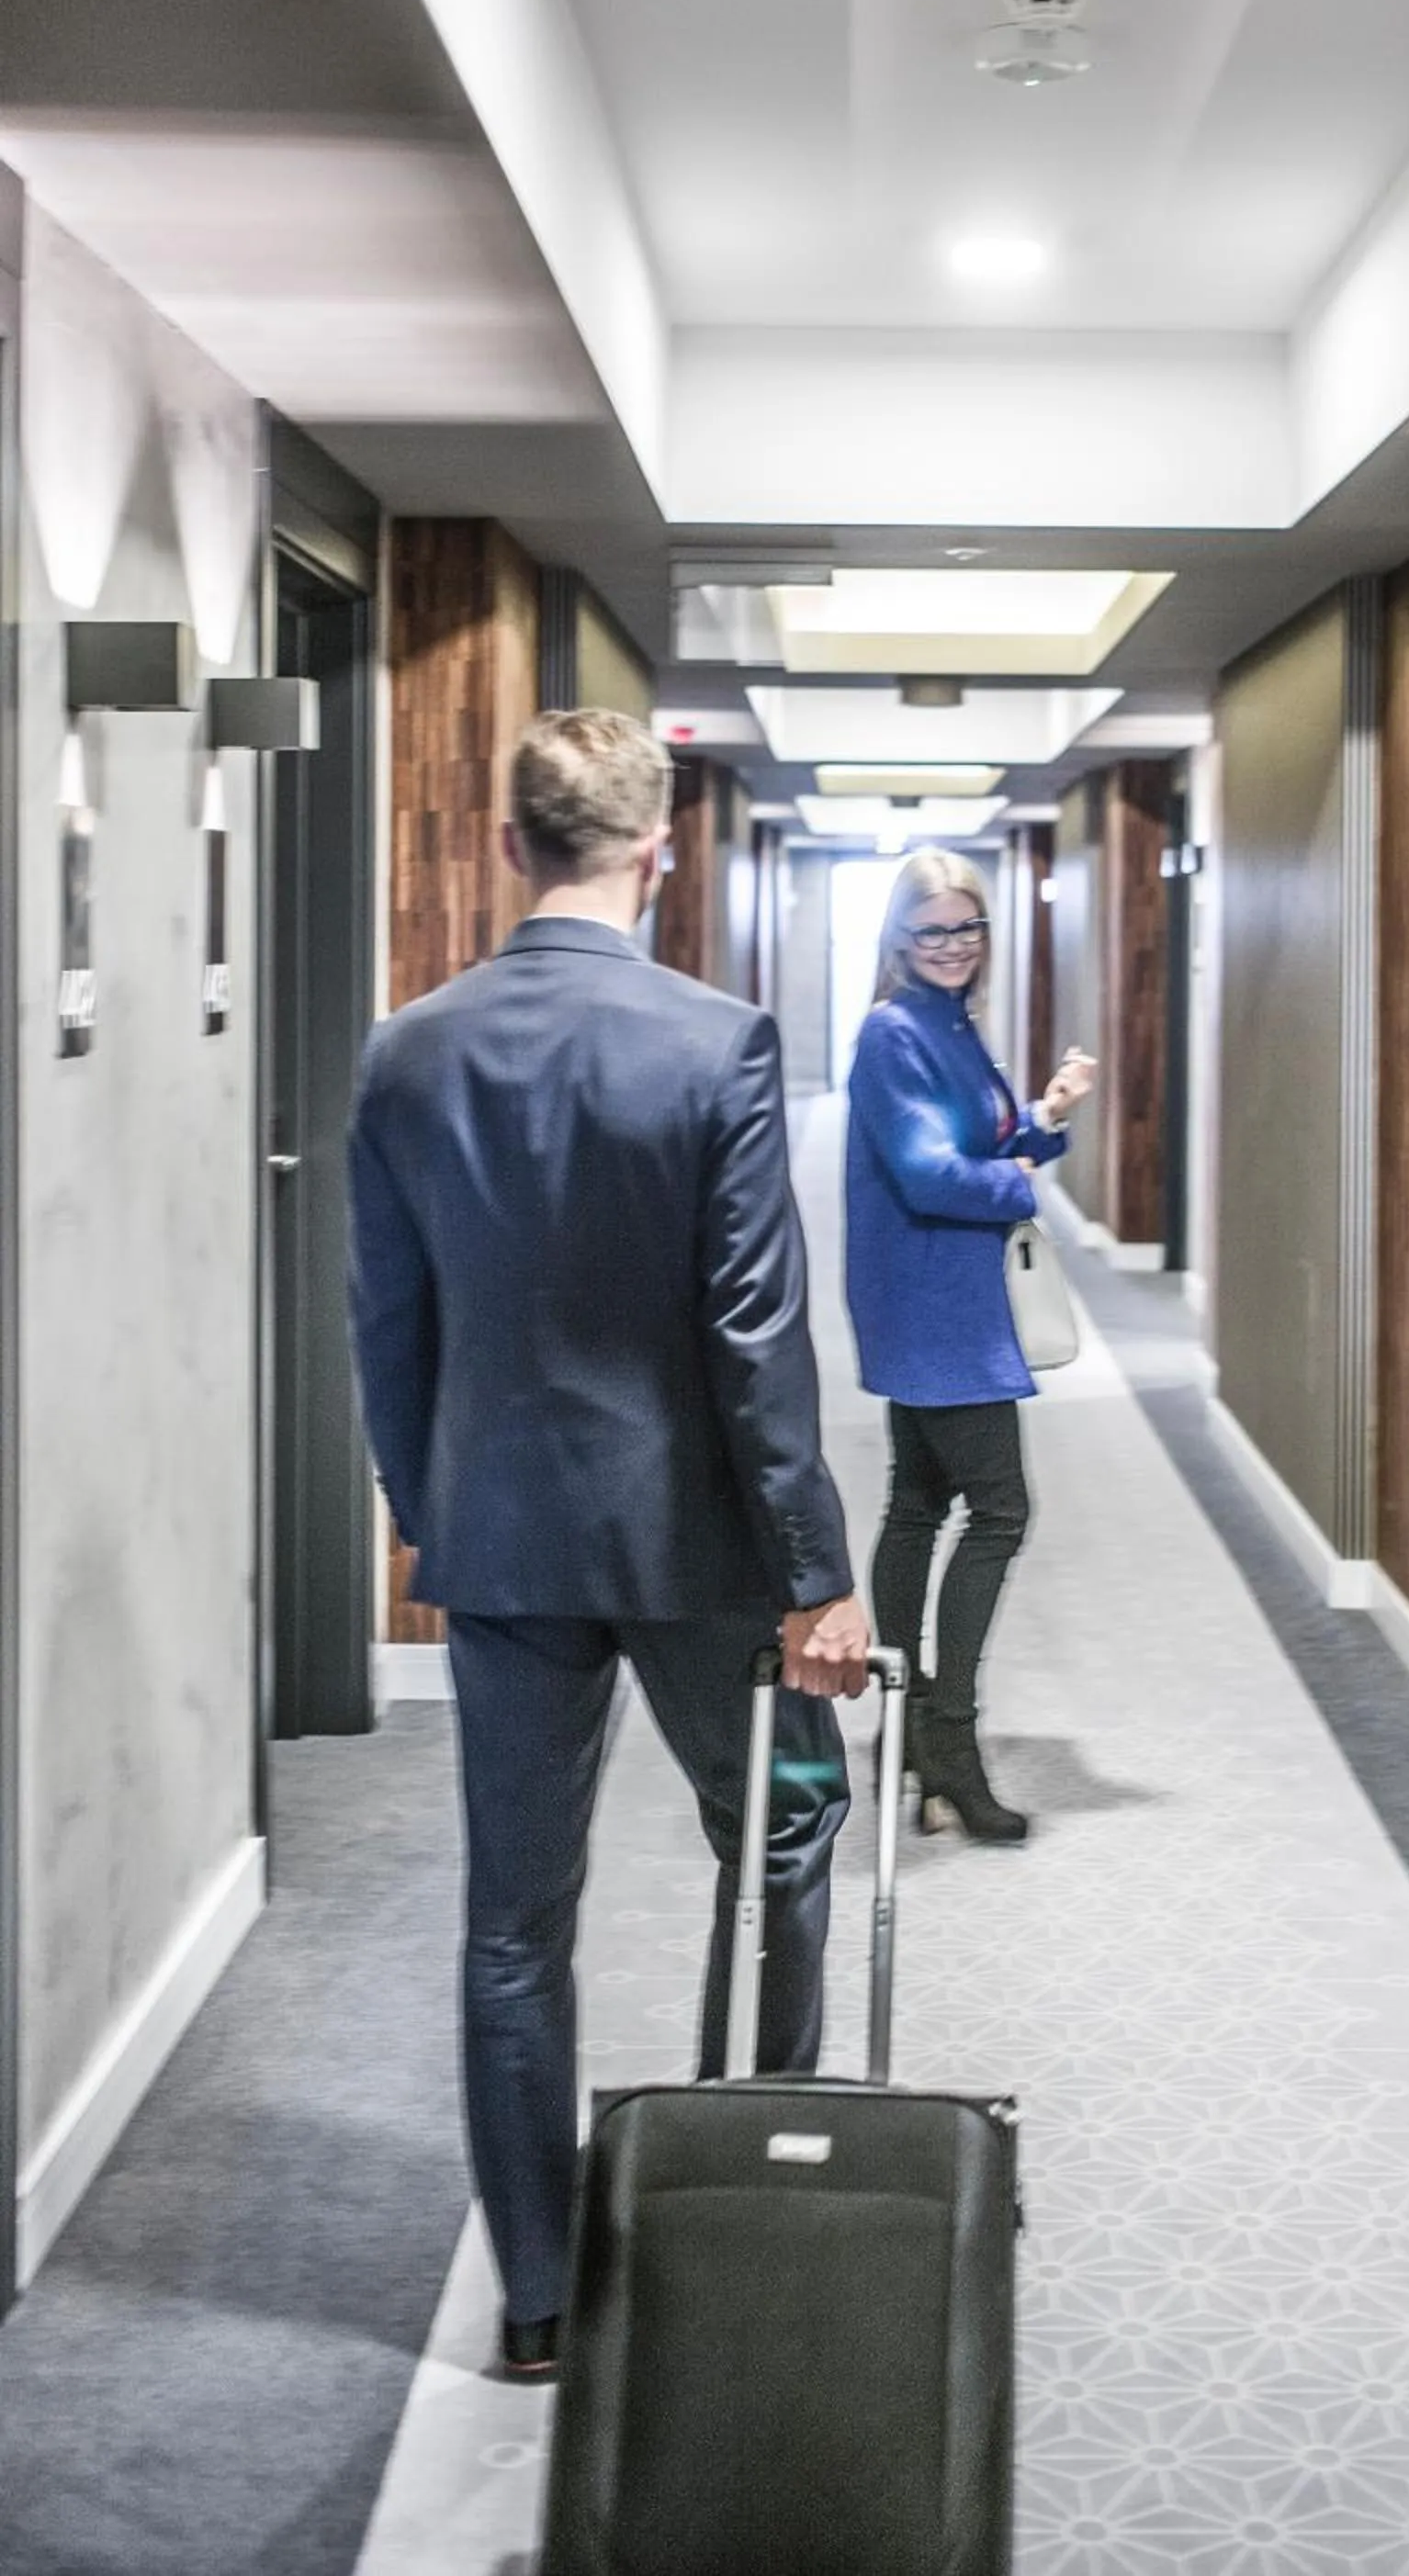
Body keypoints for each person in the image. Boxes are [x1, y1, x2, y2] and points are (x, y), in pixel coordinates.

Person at [347, 708, 870, 2382]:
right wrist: (817, 1569)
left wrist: (440, 1521)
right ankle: (750, 2181)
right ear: (662, 849)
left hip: (500, 1541)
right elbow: (751, 1337)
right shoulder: (712, 1042)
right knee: (785, 1831)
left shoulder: (403, 1050)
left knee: (514, 1923)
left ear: (510, 847)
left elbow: (387, 1325)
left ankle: (537, 2300)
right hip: (700, 1545)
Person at [844, 849, 1097, 1847]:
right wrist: (1020, 1188)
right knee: (999, 1511)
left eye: (967, 928)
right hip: (933, 1302)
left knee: (917, 1506)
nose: (953, 946)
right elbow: (927, 1172)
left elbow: (979, 1143)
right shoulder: (893, 1032)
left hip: (947, 1296)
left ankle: (907, 1726)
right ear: (899, 941)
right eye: (933, 930)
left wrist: (1044, 1120)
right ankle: (949, 1738)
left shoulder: (953, 1026)